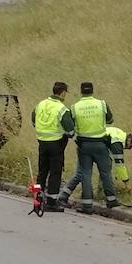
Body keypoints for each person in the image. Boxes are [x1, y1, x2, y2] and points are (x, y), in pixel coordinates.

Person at [63, 82, 119, 214]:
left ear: (81, 91)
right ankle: (111, 200)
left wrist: (76, 137)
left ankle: (87, 205)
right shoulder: (102, 104)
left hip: (84, 145)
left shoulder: (75, 107)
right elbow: (110, 120)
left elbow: (69, 125)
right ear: (93, 91)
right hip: (101, 144)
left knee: (86, 174)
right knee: (105, 173)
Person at [31, 81, 75, 212]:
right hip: (56, 144)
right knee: (55, 173)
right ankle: (51, 202)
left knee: (42, 172)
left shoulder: (40, 104)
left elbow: (33, 119)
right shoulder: (61, 109)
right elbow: (70, 130)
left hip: (42, 142)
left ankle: (37, 198)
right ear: (63, 93)